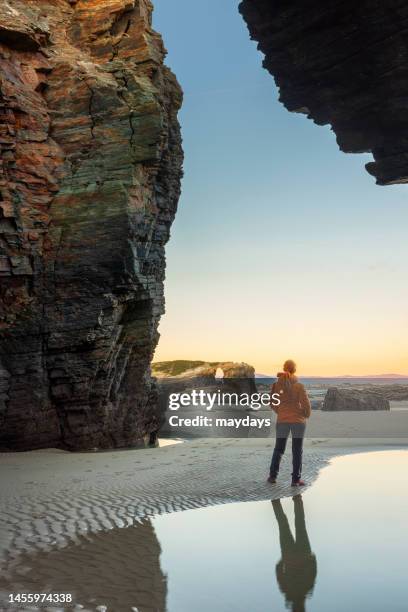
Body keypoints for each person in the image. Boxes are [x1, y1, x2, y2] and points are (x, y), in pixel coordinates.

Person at [268, 359, 311, 486]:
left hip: (282, 421)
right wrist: (305, 415)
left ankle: (272, 476)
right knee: (297, 450)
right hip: (298, 422)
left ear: (284, 368)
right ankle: (295, 480)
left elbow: (272, 403)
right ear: (294, 369)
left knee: (279, 449)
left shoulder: (276, 385)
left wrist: (280, 412)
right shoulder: (299, 386)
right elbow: (306, 405)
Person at [272, 496, 317, 612]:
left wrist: (312, 558)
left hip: (303, 553)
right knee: (283, 525)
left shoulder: (307, 589)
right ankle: (276, 502)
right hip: (289, 556)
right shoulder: (288, 592)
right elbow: (279, 573)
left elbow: (313, 570)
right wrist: (282, 560)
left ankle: (297, 499)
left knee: (300, 523)